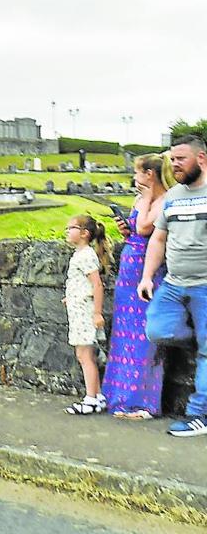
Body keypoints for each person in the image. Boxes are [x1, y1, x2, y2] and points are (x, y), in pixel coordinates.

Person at [141, 134, 207, 437]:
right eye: (172, 158)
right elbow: (158, 238)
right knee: (156, 329)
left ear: (201, 159)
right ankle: (201, 339)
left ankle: (198, 415)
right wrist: (146, 276)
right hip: (172, 283)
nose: (174, 164)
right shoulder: (174, 196)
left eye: (180, 158)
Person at [103, 153, 173, 419]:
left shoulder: (165, 199)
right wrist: (124, 227)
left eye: (137, 173)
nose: (134, 178)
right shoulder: (140, 199)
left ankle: (144, 402)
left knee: (145, 337)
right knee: (124, 335)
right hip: (129, 272)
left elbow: (144, 227)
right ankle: (120, 396)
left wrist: (145, 198)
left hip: (150, 272)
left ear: (149, 174)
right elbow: (134, 229)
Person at [62, 215, 110, 415]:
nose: (67, 232)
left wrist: (97, 312)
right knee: (85, 354)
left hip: (84, 313)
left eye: (70, 228)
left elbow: (97, 285)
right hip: (78, 309)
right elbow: (82, 283)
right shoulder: (81, 254)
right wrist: (70, 297)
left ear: (84, 233)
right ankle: (97, 396)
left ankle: (90, 398)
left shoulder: (86, 255)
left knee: (85, 355)